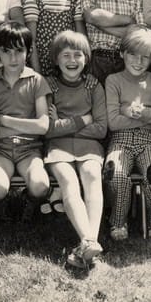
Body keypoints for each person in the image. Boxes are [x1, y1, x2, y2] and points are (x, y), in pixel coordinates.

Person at [104, 25, 151, 242]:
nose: (139, 61)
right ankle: (118, 221)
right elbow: (113, 122)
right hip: (120, 141)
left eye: (145, 56)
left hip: (149, 142)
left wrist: (134, 111)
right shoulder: (113, 80)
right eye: (133, 55)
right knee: (115, 174)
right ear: (122, 53)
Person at [44, 31, 107, 269]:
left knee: (92, 176)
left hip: (89, 146)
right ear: (56, 59)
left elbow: (101, 129)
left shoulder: (93, 86)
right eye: (66, 55)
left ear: (86, 58)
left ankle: (88, 242)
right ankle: (88, 242)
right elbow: (48, 130)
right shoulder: (49, 86)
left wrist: (63, 125)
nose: (72, 60)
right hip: (57, 148)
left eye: (78, 55)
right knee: (69, 182)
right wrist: (83, 120)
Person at [0, 22, 50, 221]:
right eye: (6, 51)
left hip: (29, 149)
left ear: (28, 52)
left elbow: (42, 126)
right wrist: (25, 127)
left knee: (40, 186)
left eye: (19, 51)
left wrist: (3, 120)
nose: (13, 58)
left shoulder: (37, 80)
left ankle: (27, 200)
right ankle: (2, 203)